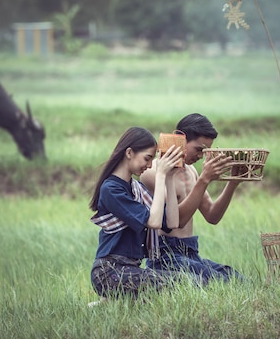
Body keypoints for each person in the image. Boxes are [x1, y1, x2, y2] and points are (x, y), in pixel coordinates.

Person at [140, 113, 245, 283]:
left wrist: (233, 182)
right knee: (218, 281)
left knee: (235, 278)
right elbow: (177, 220)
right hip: (166, 256)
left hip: (190, 252)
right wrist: (204, 179)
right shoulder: (153, 173)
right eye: (199, 149)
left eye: (206, 151)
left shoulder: (191, 172)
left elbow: (212, 215)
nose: (201, 156)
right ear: (180, 138)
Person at [89, 126, 184, 300]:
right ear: (129, 153)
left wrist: (169, 178)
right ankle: (111, 299)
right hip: (108, 272)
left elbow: (171, 222)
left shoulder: (137, 189)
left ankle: (112, 302)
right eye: (147, 158)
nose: (149, 166)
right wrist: (160, 175)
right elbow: (153, 222)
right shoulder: (111, 189)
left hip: (130, 269)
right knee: (175, 282)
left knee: (180, 280)